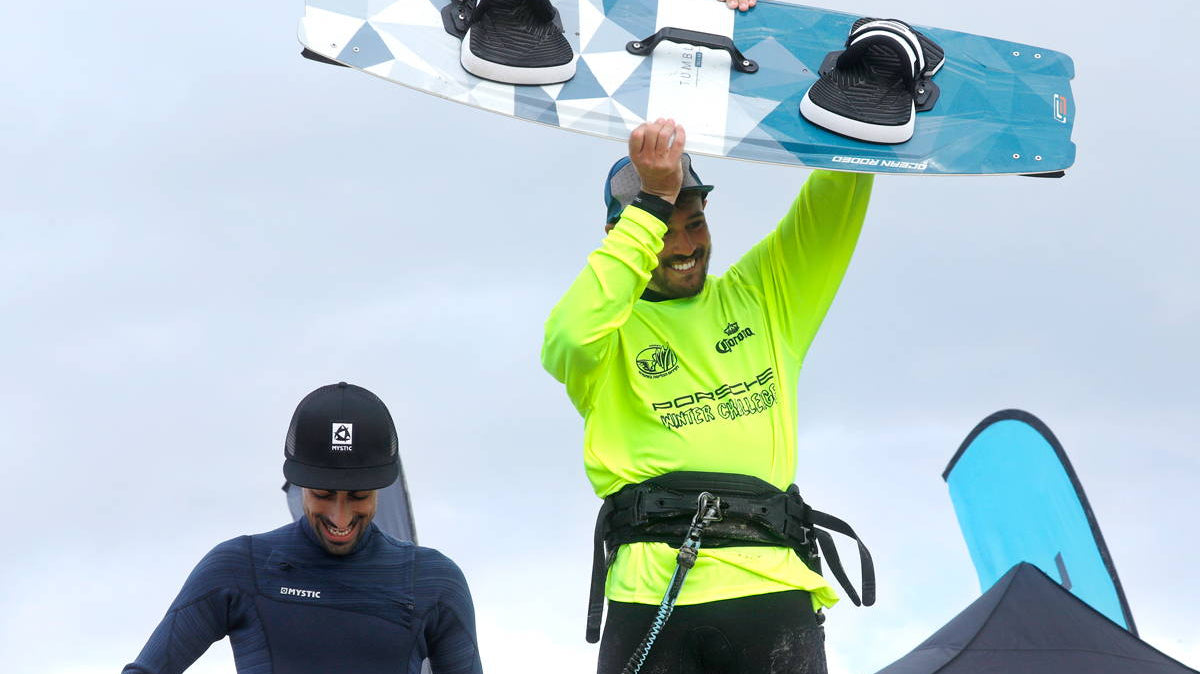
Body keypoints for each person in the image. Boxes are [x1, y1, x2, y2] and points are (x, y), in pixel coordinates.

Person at [541, 120, 874, 674]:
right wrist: (652, 202)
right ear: (621, 233)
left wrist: (865, 118)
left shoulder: (765, 296)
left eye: (694, 225)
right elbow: (567, 337)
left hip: (769, 593)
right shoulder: (606, 335)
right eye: (663, 231)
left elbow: (833, 203)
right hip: (650, 598)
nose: (684, 246)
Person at [124, 382, 483, 674]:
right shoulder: (238, 568)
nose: (340, 518)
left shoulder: (433, 580)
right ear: (301, 488)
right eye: (323, 495)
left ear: (378, 489)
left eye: (357, 497)